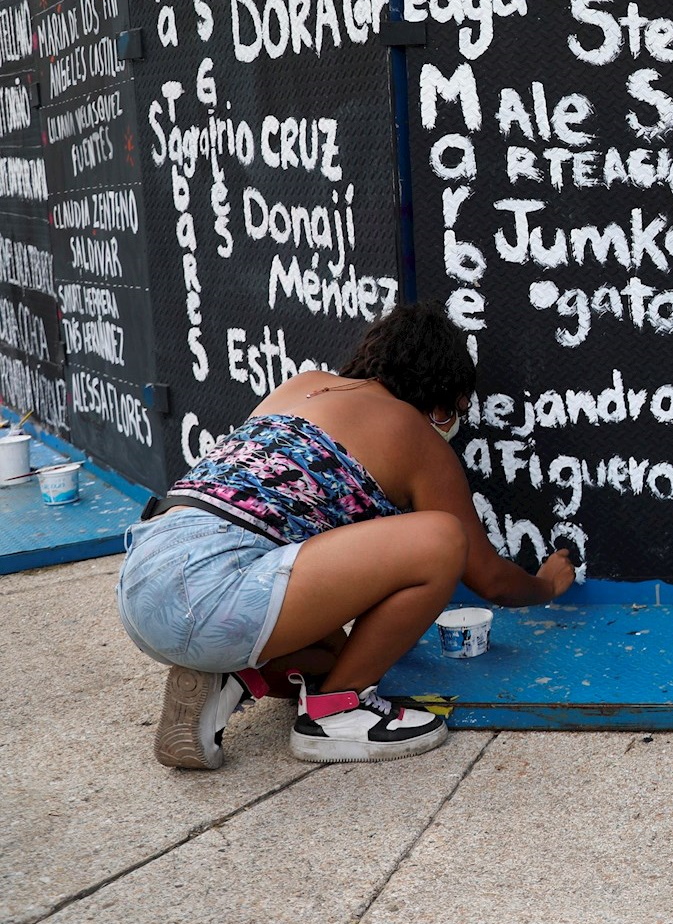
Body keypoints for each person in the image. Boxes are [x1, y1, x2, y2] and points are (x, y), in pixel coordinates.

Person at [117, 304, 577, 769]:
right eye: (457, 408)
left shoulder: (302, 386)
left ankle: (232, 677)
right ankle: (336, 712)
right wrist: (549, 584)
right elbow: (491, 580)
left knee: (340, 651)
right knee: (443, 539)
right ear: (441, 401)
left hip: (144, 583)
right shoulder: (411, 430)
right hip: (217, 592)